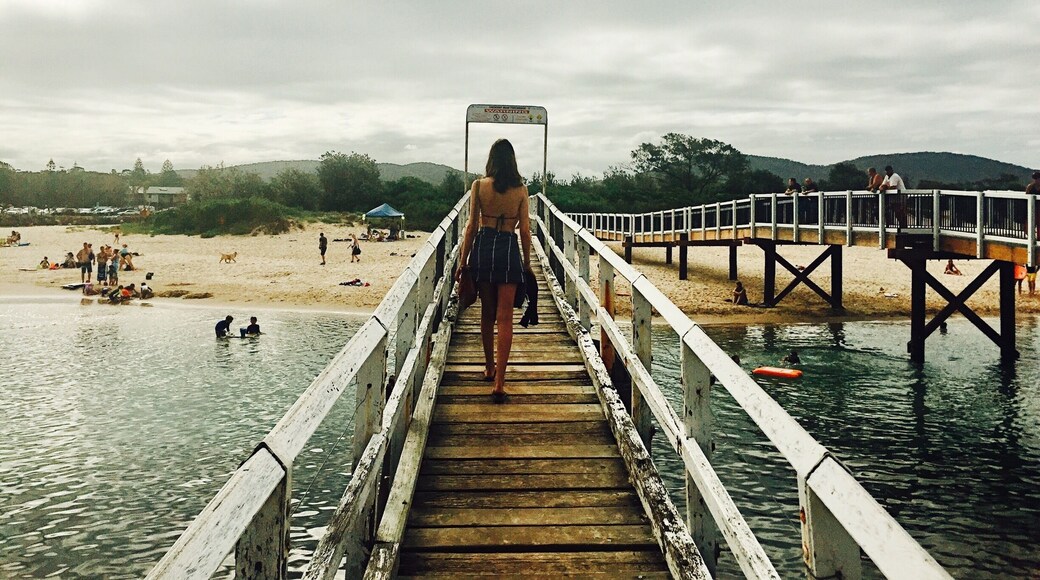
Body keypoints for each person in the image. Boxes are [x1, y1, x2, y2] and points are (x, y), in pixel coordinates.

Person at [455, 138, 533, 403]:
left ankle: (488, 367)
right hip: (509, 249)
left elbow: (470, 227)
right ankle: (500, 381)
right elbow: (524, 230)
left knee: (487, 315)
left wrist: (463, 261)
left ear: (491, 160)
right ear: (512, 161)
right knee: (506, 318)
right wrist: (527, 264)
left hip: (484, 248)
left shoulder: (478, 186)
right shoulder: (521, 190)